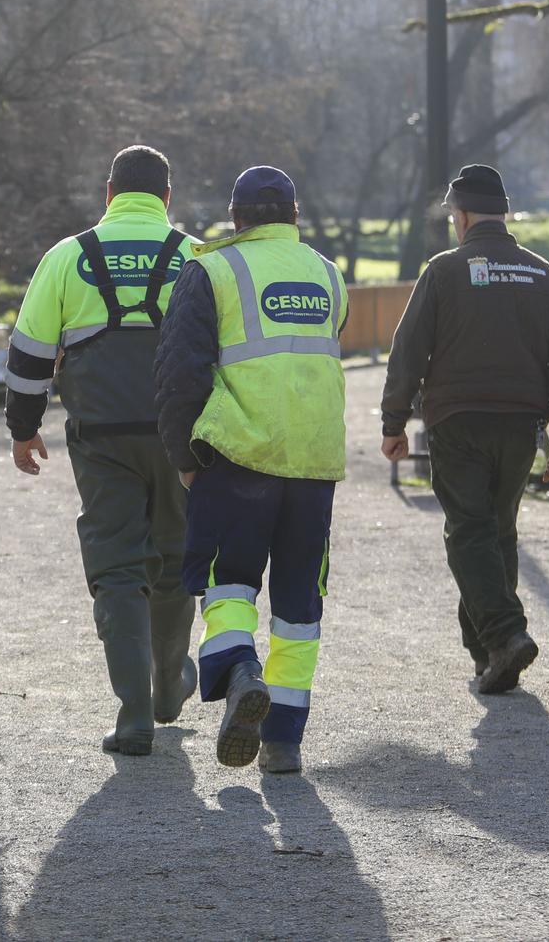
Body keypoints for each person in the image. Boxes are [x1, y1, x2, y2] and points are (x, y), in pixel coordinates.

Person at [154, 166, 347, 776]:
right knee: (299, 599)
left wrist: (185, 459)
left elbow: (180, 377)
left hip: (236, 457)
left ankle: (239, 671)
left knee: (227, 579)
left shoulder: (211, 270)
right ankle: (284, 740)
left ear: (235, 217)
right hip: (314, 464)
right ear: (295, 214)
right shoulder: (327, 274)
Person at [5, 145, 198, 756]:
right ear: (166, 198)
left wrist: (23, 427)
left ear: (108, 191)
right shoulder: (196, 256)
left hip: (102, 434)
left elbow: (29, 354)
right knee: (173, 557)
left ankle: (135, 715)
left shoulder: (68, 256)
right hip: (181, 437)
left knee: (117, 566)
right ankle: (170, 684)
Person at [378, 164, 549, 695]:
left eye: (452, 216)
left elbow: (408, 351)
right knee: (499, 530)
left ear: (462, 216)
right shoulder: (544, 275)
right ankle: (489, 655)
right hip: (520, 426)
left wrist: (394, 421)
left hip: (457, 420)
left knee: (469, 531)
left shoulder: (444, 271)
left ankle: (505, 634)